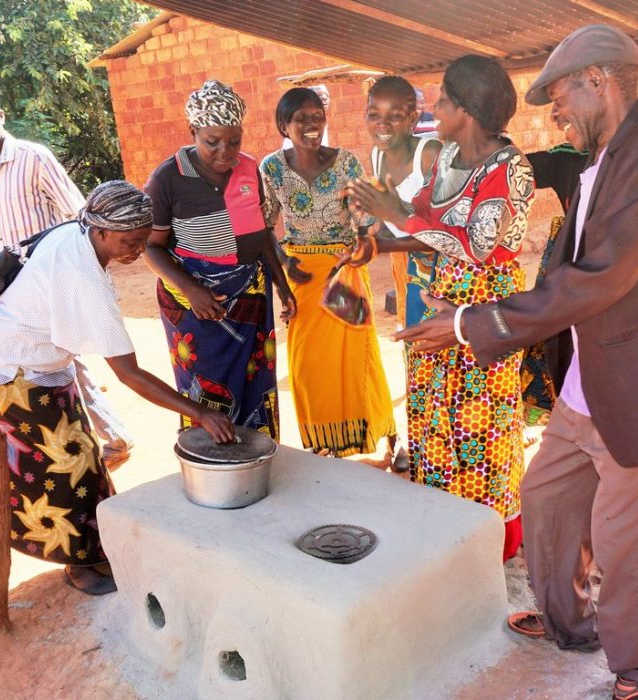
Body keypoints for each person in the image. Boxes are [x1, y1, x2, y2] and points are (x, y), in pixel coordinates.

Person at [393, 25, 638, 700]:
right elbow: (525, 184)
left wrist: (475, 322)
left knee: (627, 546)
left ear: (599, 81)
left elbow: (599, 277)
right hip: (587, 389)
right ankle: (569, 621)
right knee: (546, 502)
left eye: (560, 95)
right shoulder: (601, 156)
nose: (556, 110)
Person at [0, 181, 235, 595]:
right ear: (102, 230)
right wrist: (200, 412)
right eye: (128, 241)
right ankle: (80, 562)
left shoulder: (75, 233)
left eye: (143, 241)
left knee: (81, 455)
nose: (135, 251)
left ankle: (94, 546)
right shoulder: (84, 278)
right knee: (68, 465)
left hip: (35, 364)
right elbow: (129, 374)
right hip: (11, 369)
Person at [346, 55, 534, 561]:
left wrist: (397, 218)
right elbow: (429, 229)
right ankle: (443, 530)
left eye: (445, 100)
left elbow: (476, 245)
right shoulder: (449, 158)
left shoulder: (511, 169)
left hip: (487, 310)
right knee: (432, 415)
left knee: (481, 422)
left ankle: (489, 539)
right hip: (440, 296)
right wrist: (380, 244)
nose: (436, 108)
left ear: (467, 110)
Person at [0, 84, 135, 471]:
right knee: (56, 353)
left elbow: (80, 214)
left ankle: (113, 437)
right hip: (9, 281)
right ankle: (114, 435)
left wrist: (77, 269)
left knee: (60, 352)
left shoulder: (34, 158)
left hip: (49, 275)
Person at [143, 80, 295, 437]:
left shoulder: (248, 169)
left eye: (234, 140)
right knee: (207, 389)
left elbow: (261, 237)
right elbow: (151, 247)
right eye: (213, 141)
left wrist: (283, 286)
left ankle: (256, 455)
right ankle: (210, 466)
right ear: (193, 131)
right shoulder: (168, 178)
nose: (225, 151)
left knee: (254, 382)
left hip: (251, 298)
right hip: (194, 305)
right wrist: (192, 290)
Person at [259, 87, 397, 460]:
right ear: (283, 125)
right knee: (307, 366)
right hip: (300, 277)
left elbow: (368, 224)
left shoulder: (346, 163)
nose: (311, 125)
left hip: (343, 272)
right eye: (301, 118)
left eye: (317, 116)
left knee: (355, 359)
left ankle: (380, 436)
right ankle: (322, 444)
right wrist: (286, 269)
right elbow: (263, 229)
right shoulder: (271, 168)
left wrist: (360, 251)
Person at [364, 76, 443, 332]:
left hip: (446, 271)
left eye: (394, 116)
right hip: (408, 264)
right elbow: (389, 215)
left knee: (439, 346)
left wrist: (380, 246)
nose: (382, 124)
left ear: (411, 121)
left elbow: (442, 234)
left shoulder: (429, 155)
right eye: (373, 114)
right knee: (413, 339)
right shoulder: (377, 155)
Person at [519, 142, 588, 427]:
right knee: (555, 344)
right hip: (566, 265)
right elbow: (517, 169)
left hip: (606, 274)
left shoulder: (634, 159)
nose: (557, 117)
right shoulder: (569, 158)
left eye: (561, 102)